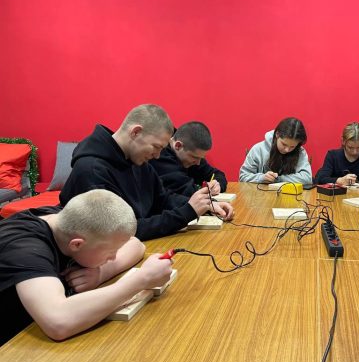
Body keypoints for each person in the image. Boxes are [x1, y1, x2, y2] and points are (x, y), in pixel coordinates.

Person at [0, 189, 173, 345]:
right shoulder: (25, 248)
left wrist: (102, 272)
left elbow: (136, 245)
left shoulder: (69, 222)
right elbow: (58, 322)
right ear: (77, 244)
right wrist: (141, 280)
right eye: (111, 252)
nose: (113, 257)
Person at [60, 104, 233, 241]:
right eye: (156, 147)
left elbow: (163, 198)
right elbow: (122, 232)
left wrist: (207, 205)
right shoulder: (92, 171)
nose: (157, 156)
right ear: (136, 132)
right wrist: (187, 212)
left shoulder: (138, 161)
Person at [149, 121, 227, 197]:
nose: (198, 163)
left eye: (200, 158)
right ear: (178, 146)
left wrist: (218, 184)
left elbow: (217, 174)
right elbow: (185, 190)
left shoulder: (193, 155)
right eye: (195, 157)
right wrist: (206, 190)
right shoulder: (159, 156)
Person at [314, 122, 359, 192]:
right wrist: (339, 180)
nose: (355, 152)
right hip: (335, 197)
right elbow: (321, 179)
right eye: (350, 147)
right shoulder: (332, 156)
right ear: (343, 141)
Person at [239, 117, 312, 184]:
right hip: (259, 193)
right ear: (277, 134)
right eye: (284, 144)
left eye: (292, 147)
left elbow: (307, 179)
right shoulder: (258, 149)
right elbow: (243, 176)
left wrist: (279, 179)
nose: (287, 150)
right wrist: (261, 178)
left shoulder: (300, 152)